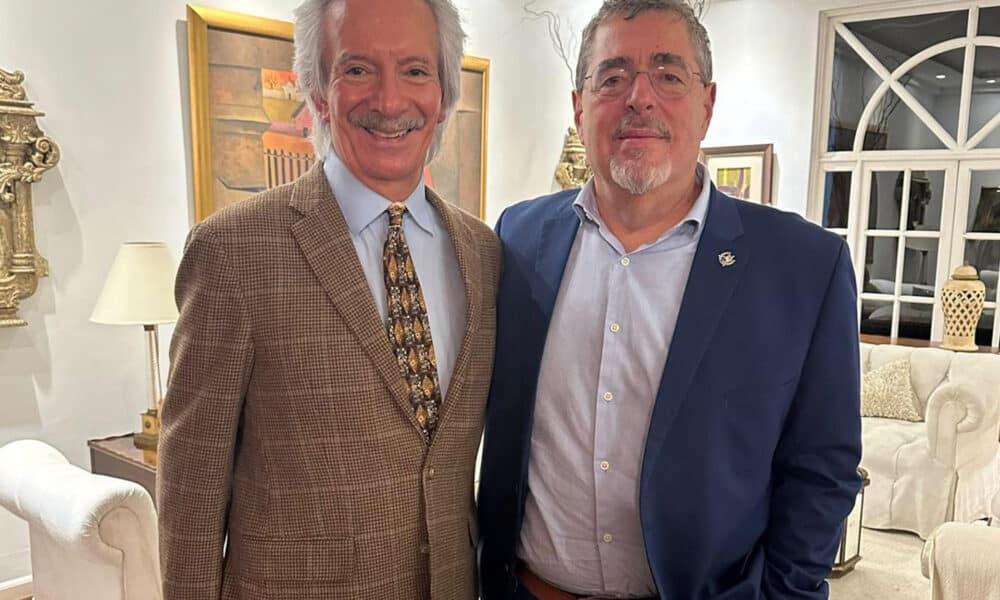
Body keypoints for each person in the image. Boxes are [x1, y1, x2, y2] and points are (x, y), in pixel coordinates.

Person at [477, 1, 862, 598]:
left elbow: (823, 469)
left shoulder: (804, 267)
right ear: (579, 108)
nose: (640, 97)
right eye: (612, 77)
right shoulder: (517, 238)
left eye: (668, 74)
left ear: (706, 105)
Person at [157, 0, 500, 598]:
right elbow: (191, 496)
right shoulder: (233, 252)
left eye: (416, 71)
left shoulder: (483, 253)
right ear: (317, 92)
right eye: (358, 69)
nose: (390, 102)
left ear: (445, 93)